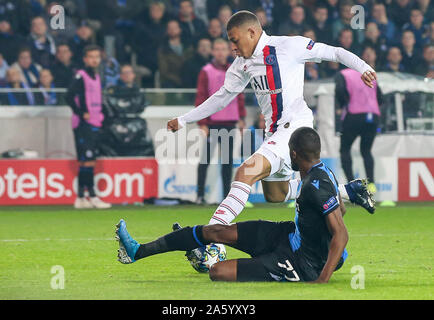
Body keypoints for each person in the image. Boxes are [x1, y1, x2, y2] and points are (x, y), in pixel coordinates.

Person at [167, 11, 376, 229]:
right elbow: (221, 98)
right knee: (277, 194)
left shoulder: (289, 46)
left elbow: (335, 52)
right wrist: (184, 119)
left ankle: (210, 237)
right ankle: (348, 191)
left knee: (245, 172)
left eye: (235, 40)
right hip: (274, 132)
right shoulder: (242, 64)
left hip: (295, 127)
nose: (233, 48)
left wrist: (363, 67)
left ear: (251, 32)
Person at [116, 127, 350, 284]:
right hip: (287, 236)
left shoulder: (314, 184)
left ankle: (206, 258)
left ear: (294, 153)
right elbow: (340, 209)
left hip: (300, 263)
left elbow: (341, 234)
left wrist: (322, 279)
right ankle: (138, 251)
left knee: (217, 273)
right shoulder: (323, 172)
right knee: (215, 231)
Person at [195, 38, 246, 205]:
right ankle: (200, 195)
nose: (220, 52)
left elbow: (239, 95)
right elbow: (201, 96)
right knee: (205, 160)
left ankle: (226, 197)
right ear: (212, 51)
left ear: (228, 51)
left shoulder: (235, 69)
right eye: (217, 49)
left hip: (230, 121)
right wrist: (202, 122)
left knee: (227, 162)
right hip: (212, 123)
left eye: (223, 49)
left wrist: (242, 117)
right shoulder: (206, 71)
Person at [65, 45, 112, 210]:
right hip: (84, 124)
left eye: (97, 57)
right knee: (88, 161)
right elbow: (69, 95)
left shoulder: (96, 76)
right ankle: (90, 195)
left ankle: (81, 196)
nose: (94, 60)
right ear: (85, 59)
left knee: (88, 161)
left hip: (95, 122)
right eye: (91, 57)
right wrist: (81, 112)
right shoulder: (81, 76)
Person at [335, 46, 383, 194]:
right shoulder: (370, 74)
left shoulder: (343, 74)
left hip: (354, 115)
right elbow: (380, 97)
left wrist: (343, 105)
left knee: (345, 149)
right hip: (373, 116)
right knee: (366, 150)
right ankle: (372, 184)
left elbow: (340, 91)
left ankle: (352, 185)